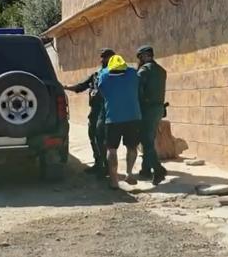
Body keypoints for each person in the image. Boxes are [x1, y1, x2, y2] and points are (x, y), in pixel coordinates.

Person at [63, 48, 114, 175]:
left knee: (104, 140)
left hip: (108, 111)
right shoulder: (96, 75)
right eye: (102, 57)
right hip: (95, 111)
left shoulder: (115, 74)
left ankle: (107, 167)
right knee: (93, 136)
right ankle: (98, 163)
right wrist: (65, 87)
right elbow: (81, 86)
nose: (103, 60)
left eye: (106, 57)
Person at [97, 54, 142, 190]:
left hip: (113, 118)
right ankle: (129, 173)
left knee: (111, 149)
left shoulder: (104, 75)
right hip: (133, 116)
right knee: (132, 147)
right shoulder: (133, 73)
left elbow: (101, 92)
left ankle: (114, 180)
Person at [137, 45, 168, 185]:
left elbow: (138, 91)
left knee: (146, 141)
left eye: (139, 57)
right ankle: (145, 170)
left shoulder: (144, 71)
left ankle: (158, 169)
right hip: (159, 109)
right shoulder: (162, 70)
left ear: (143, 56)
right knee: (150, 139)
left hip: (147, 110)